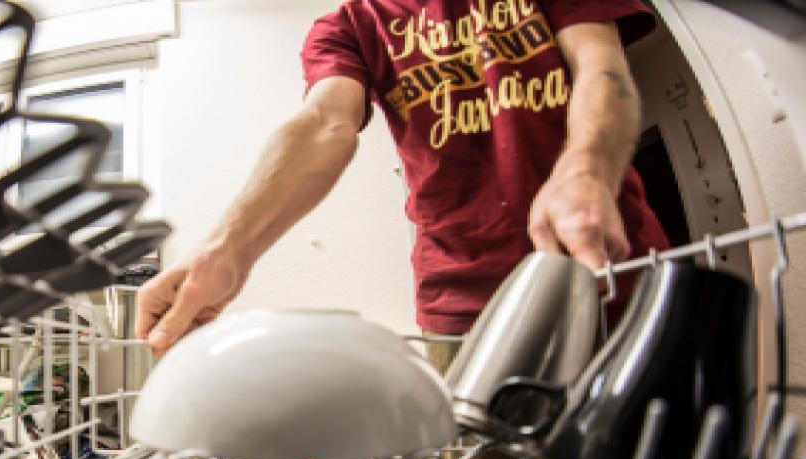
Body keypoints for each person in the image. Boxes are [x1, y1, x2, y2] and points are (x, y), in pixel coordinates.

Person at [134, 1, 670, 368]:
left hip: (606, 265)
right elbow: (325, 124)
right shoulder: (349, 26)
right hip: (462, 301)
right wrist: (227, 250)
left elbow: (603, 69)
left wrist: (584, 170)